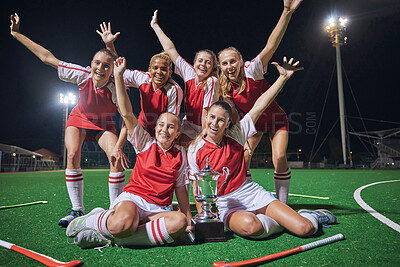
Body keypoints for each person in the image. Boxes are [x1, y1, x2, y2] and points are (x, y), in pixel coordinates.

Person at [188, 56, 336, 240]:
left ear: (227, 123)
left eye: (221, 120)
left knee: (305, 229)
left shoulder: (237, 133)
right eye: (211, 117)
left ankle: (311, 216)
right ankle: (280, 221)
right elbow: (197, 188)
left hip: (250, 193)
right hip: (227, 204)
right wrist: (205, 221)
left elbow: (260, 104)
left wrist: (282, 78)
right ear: (206, 117)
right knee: (251, 226)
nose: (214, 123)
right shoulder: (195, 148)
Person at [10, 13, 129, 227]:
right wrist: (17, 34)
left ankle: (114, 211)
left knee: (115, 158)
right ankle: (77, 210)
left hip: (104, 123)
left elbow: (127, 118)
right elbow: (47, 58)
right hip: (79, 116)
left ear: (112, 70)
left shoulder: (116, 86)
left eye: (106, 66)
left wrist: (119, 146)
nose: (100, 68)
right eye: (96, 63)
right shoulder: (81, 74)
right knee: (72, 154)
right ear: (90, 63)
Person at [66, 57, 192, 249]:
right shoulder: (145, 142)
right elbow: (126, 113)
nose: (165, 130)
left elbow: (181, 190)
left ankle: (113, 239)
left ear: (177, 133)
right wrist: (117, 76)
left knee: (179, 222)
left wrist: (189, 220)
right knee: (122, 224)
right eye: (161, 125)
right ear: (155, 127)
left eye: (171, 127)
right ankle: (88, 221)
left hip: (157, 209)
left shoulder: (181, 154)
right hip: (134, 200)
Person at [218, 0, 303, 204]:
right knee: (243, 157)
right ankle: (246, 199)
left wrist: (286, 12)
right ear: (220, 66)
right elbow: (235, 115)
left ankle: (283, 204)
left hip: (276, 120)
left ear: (240, 61)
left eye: (232, 61)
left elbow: (271, 45)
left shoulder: (252, 70)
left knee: (279, 158)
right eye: (224, 63)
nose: (229, 66)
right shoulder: (223, 87)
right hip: (253, 122)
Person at [97, 22, 183, 136]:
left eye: (163, 69)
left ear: (170, 73)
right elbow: (118, 71)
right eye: (155, 68)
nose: (159, 72)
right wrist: (109, 45)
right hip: (142, 129)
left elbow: (170, 121)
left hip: (162, 133)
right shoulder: (142, 78)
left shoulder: (174, 90)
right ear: (149, 69)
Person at [150, 10, 220, 147]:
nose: (203, 65)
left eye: (208, 62)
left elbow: (207, 111)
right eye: (200, 61)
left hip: (206, 126)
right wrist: (155, 26)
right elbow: (170, 49)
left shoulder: (212, 81)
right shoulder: (189, 72)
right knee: (179, 152)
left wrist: (204, 135)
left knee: (199, 157)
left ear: (212, 68)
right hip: (189, 123)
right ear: (194, 63)